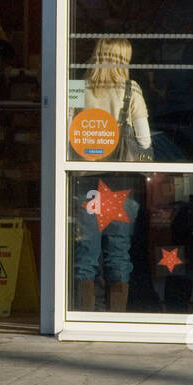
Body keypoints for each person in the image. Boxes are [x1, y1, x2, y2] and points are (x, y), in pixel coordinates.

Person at [73, 37, 150, 312]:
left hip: (84, 179)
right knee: (118, 252)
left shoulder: (76, 88)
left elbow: (63, 131)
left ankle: (83, 315)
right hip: (120, 180)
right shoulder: (131, 90)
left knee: (86, 252)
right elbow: (144, 140)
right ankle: (115, 317)